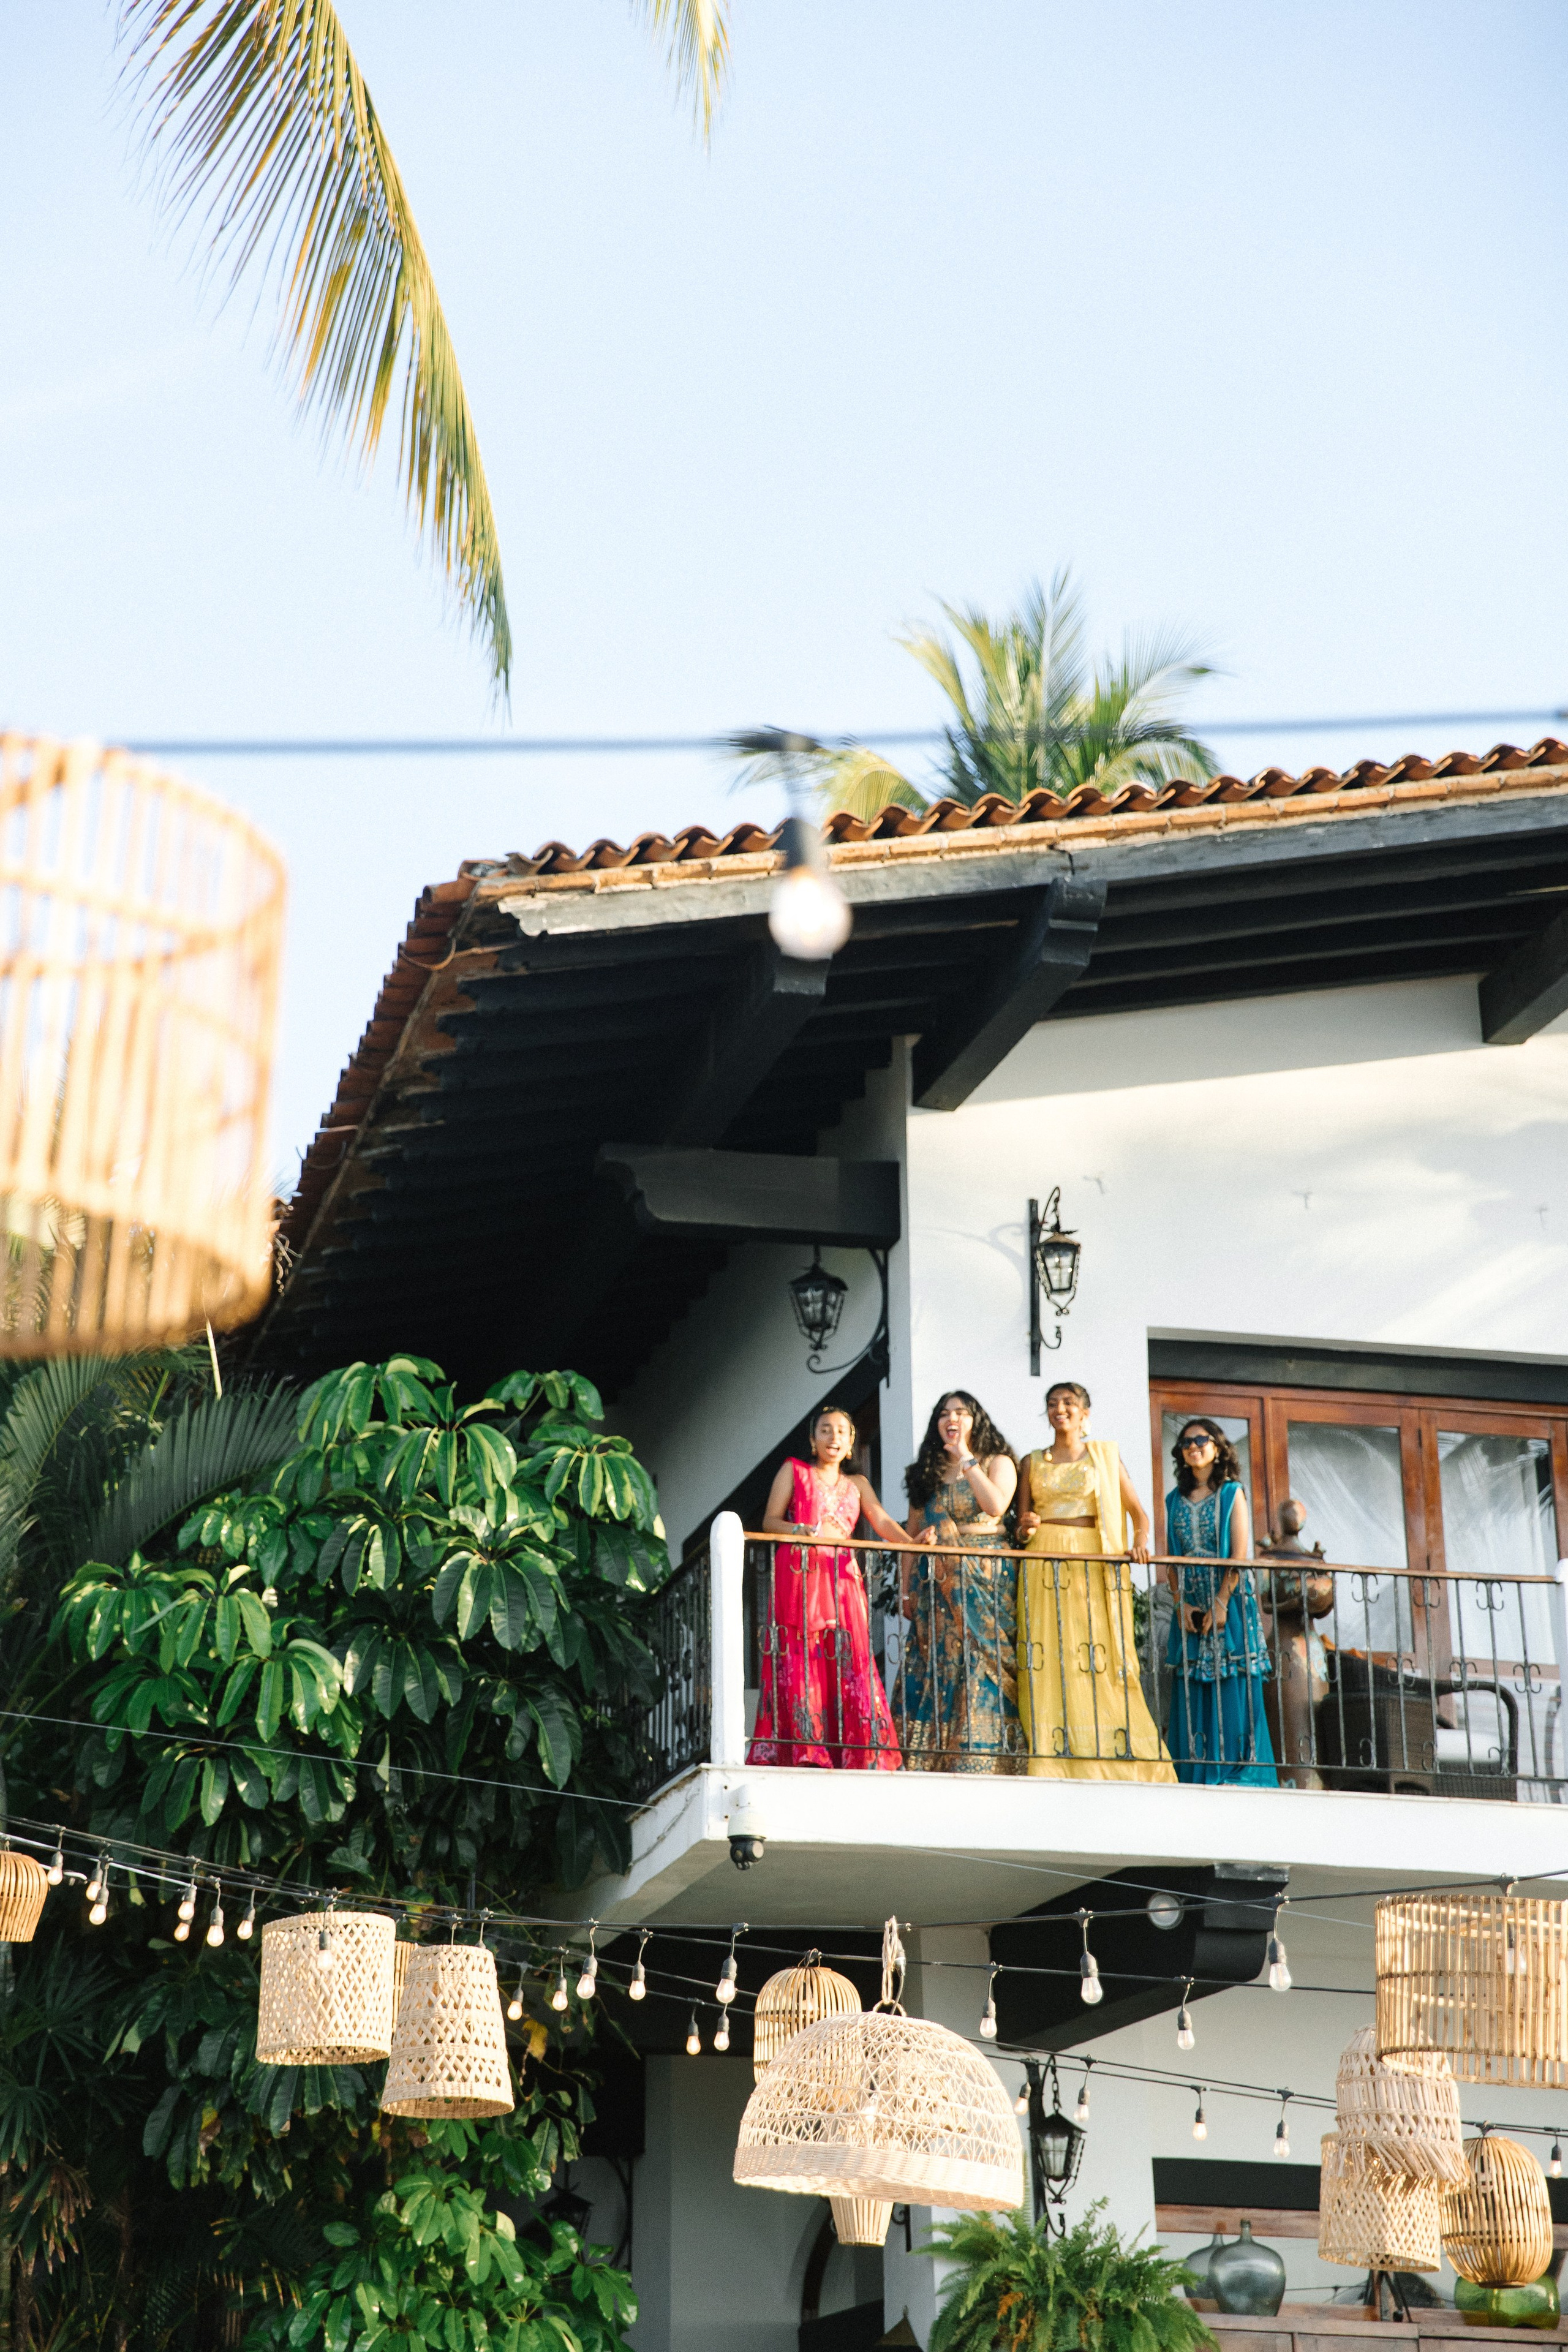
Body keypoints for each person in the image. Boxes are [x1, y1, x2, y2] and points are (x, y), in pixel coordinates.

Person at [1013, 1381, 1176, 1782]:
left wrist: (1140, 1544)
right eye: (1052, 1404)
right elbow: (1020, 1525)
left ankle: (1116, 1751)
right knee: (1050, 1652)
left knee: (1100, 1655)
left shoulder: (1104, 1457)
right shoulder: (1031, 1462)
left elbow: (1139, 1514)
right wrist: (1025, 1527)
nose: (1060, 1409)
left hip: (1093, 1558)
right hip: (1043, 1557)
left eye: (1069, 1403)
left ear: (1086, 1413)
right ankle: (1053, 1756)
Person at [745, 1404, 905, 1771]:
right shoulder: (795, 1471)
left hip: (843, 1578)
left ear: (851, 1443)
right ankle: (807, 1748)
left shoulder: (858, 1484)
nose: (834, 1437)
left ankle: (860, 1751)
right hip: (800, 1572)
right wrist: (798, 1531)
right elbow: (771, 1520)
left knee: (851, 1656)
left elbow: (879, 1520)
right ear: (813, 1439)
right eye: (825, 1430)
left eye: (842, 1432)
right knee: (801, 1654)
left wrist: (913, 1541)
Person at [897, 1392, 1020, 1773]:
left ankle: (983, 1754)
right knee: (938, 1661)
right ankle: (930, 1756)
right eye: (944, 1414)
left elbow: (996, 1506)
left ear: (975, 1420)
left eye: (961, 1413)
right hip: (935, 1581)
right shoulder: (926, 1474)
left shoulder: (997, 1462)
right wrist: (905, 1589)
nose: (952, 1419)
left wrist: (967, 1459)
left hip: (985, 1575)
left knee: (979, 1661)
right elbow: (911, 1537)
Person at [1163, 1419, 1278, 1786]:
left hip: (1228, 1602)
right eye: (1186, 1442)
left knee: (1233, 1682)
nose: (1192, 1446)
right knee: (1192, 1687)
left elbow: (1239, 1555)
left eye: (1201, 1439)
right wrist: (1181, 1604)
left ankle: (1235, 1773)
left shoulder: (1232, 1493)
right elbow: (1172, 1558)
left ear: (1217, 1447)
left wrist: (1221, 1602)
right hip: (1191, 1605)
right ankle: (1195, 1772)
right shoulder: (1173, 1500)